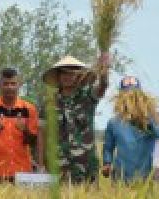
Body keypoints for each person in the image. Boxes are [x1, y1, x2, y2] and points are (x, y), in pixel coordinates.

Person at [43, 53, 110, 183]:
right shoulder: (49, 103)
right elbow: (43, 134)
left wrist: (105, 70)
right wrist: (42, 163)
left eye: (72, 74)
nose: (68, 77)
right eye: (64, 73)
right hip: (59, 165)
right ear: (58, 77)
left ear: (79, 77)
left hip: (86, 165)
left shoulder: (88, 98)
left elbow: (103, 86)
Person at [0, 67, 39, 182]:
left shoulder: (29, 109)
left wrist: (24, 130)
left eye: (13, 83)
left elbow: (33, 141)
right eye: (6, 84)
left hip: (22, 170)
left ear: (19, 85)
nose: (10, 87)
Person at [102, 76, 159, 182]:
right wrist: (107, 163)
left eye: (134, 97)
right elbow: (108, 147)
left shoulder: (150, 119)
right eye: (126, 97)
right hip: (120, 175)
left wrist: (147, 117)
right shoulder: (114, 122)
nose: (130, 101)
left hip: (145, 174)